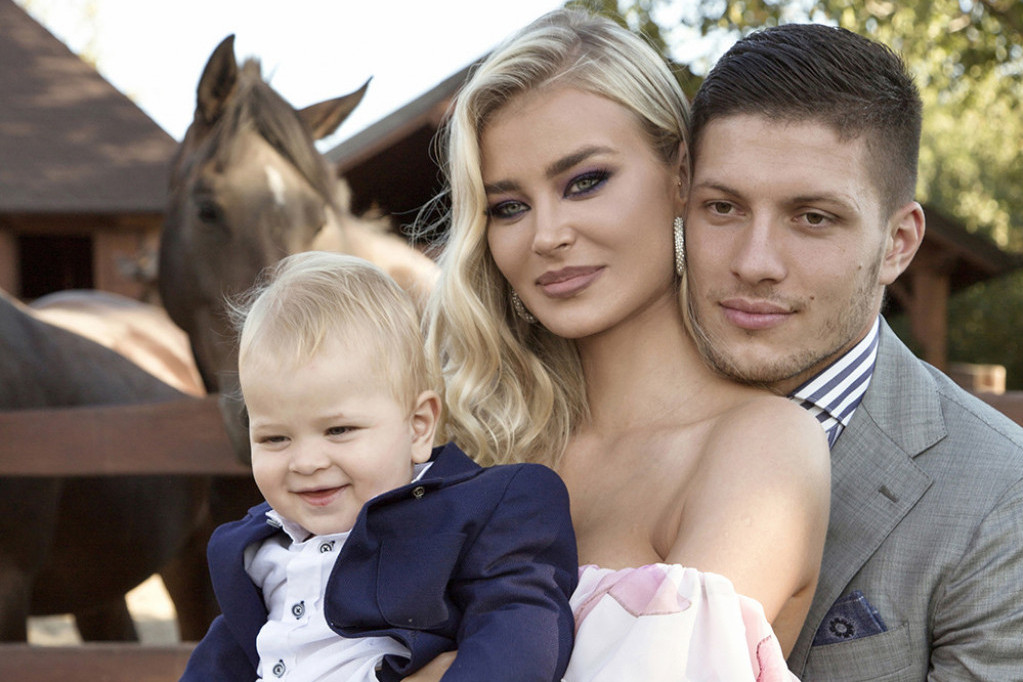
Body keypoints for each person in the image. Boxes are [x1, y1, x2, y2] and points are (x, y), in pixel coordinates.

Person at [419, 9, 830, 680]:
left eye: (585, 182)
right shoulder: (480, 442)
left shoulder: (761, 447)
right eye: (508, 207)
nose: (547, 235)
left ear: (680, 175)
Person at [684, 23, 1023, 679]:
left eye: (812, 217)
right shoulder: (580, 416)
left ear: (897, 243)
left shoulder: (1000, 497)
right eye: (722, 208)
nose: (754, 262)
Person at [180, 251, 577, 682]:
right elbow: (219, 665)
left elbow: (517, 634)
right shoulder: (263, 553)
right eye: (275, 438)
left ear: (418, 426)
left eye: (339, 430)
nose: (306, 463)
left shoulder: (477, 514)